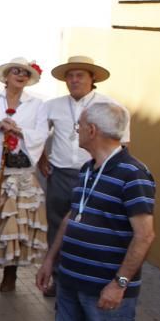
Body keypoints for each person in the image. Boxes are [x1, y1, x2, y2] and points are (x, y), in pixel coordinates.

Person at [34, 103, 155, 321]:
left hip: (106, 291)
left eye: (81, 125)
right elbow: (73, 216)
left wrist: (119, 283)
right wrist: (51, 259)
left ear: (94, 131)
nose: (76, 130)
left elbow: (145, 236)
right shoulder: (89, 169)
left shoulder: (133, 175)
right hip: (71, 281)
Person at [38, 56, 130, 296]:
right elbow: (37, 137)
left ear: (93, 78)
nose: (74, 80)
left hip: (93, 175)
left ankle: (90, 277)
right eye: (70, 76)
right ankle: (58, 278)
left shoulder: (110, 106)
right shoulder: (53, 105)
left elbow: (123, 143)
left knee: (89, 226)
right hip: (60, 174)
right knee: (57, 225)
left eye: (80, 75)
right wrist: (42, 161)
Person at [0, 58, 49, 291]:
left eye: (25, 72)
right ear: (6, 76)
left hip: (19, 171)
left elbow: (41, 134)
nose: (20, 75)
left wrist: (18, 130)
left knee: (15, 226)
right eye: (16, 71)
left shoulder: (37, 105)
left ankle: (10, 274)